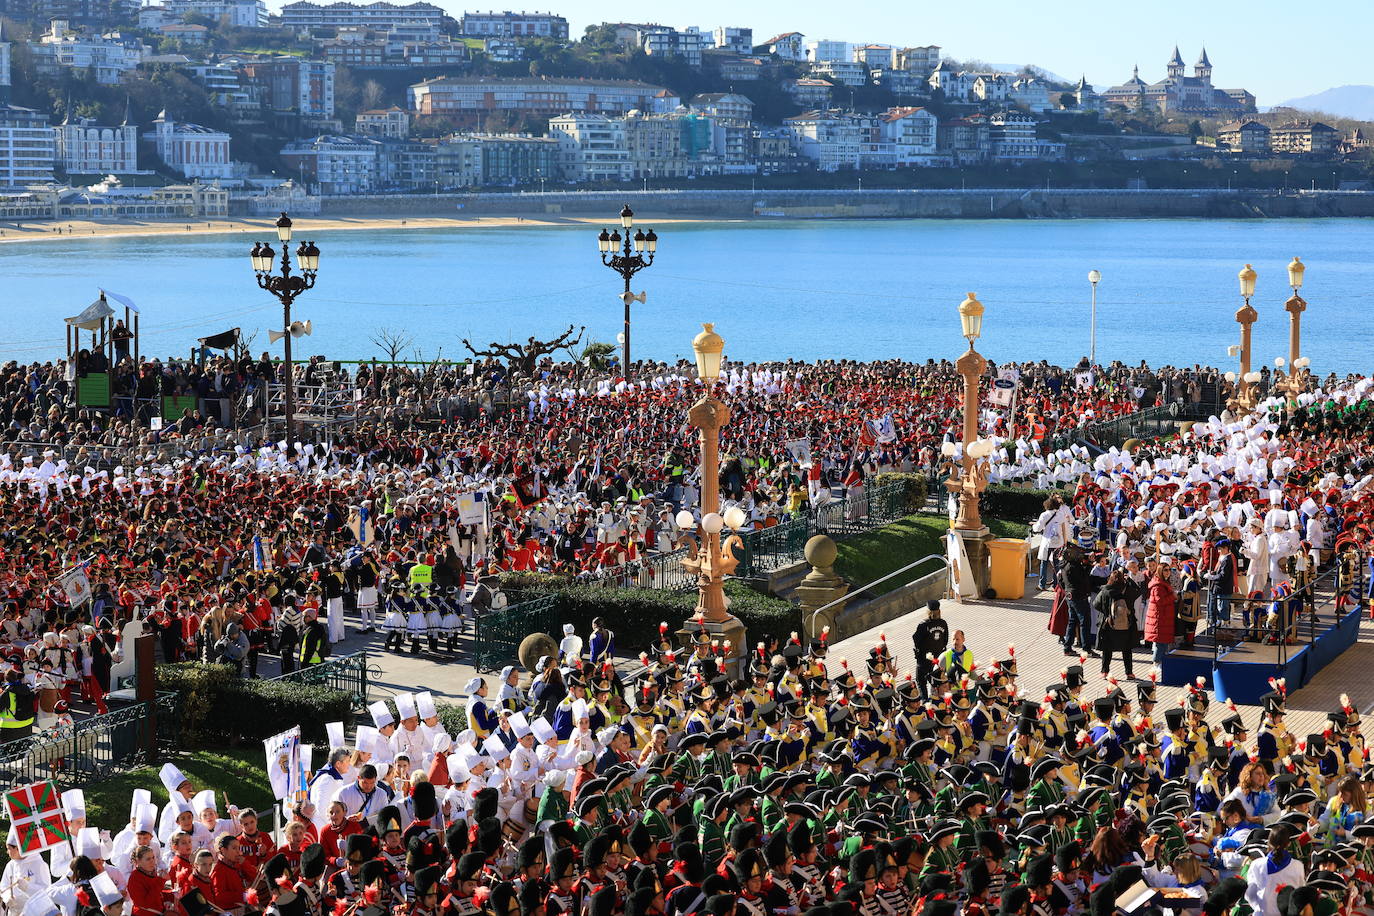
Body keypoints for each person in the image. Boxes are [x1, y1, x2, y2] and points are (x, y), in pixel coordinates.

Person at [1094, 570, 1136, 679]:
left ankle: (1104, 672)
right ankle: (1129, 673)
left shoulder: (1105, 590)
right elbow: (1138, 592)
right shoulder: (1127, 590)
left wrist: (1106, 613)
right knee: (1127, 649)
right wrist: (1130, 581)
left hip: (1108, 623)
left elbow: (1096, 604)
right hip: (1126, 624)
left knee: (1107, 649)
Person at [911, 600, 949, 700]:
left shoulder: (923, 625)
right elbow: (945, 640)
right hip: (937, 660)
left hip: (924, 660)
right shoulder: (943, 623)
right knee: (936, 683)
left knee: (921, 682)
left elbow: (916, 639)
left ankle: (925, 702)